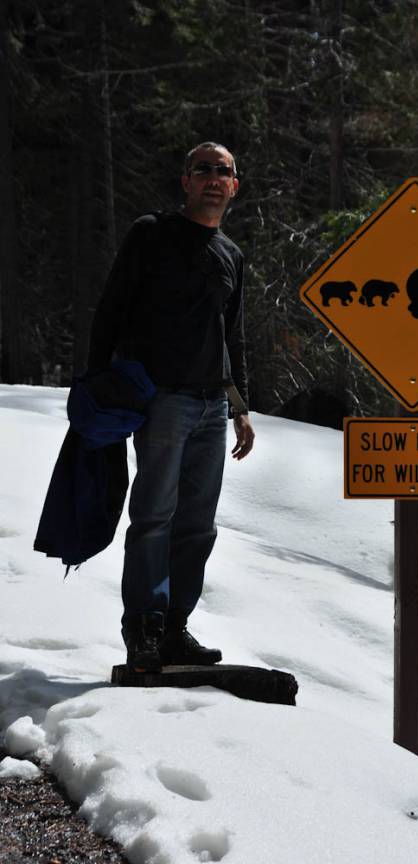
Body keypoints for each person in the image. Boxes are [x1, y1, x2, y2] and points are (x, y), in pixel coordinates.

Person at [87, 141, 255, 673]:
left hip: (210, 406)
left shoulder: (231, 255)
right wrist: (97, 383)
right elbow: (111, 308)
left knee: (197, 525)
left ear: (234, 186)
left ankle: (175, 629)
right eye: (202, 169)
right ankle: (144, 630)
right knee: (154, 517)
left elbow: (232, 336)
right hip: (161, 400)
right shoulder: (151, 234)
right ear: (185, 181)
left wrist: (240, 406)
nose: (212, 178)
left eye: (221, 172)